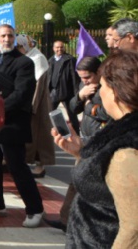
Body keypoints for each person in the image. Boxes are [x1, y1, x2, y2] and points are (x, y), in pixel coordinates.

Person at [52, 50, 138, 248]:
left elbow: (133, 229)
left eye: (103, 86)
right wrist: (79, 151)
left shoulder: (126, 152)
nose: (100, 91)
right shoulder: (119, 132)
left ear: (114, 92)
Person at [0, 24, 44, 228]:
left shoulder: (24, 63)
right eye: (3, 36)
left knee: (17, 168)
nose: (7, 39)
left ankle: (35, 209)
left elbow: (21, 94)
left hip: (12, 124)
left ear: (15, 38)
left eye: (10, 35)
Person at [44, 56, 109, 233]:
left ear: (99, 72)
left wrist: (88, 106)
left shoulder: (108, 88)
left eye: (87, 77)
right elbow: (72, 107)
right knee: (75, 180)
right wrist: (81, 96)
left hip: (100, 141)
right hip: (84, 139)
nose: (84, 81)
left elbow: (106, 113)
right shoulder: (84, 87)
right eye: (81, 77)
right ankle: (65, 219)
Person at [17, 35, 54, 179]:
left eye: (19, 46)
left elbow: (38, 86)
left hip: (38, 104)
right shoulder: (26, 57)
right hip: (25, 102)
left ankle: (40, 165)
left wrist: (31, 106)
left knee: (40, 134)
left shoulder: (37, 58)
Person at [48, 40, 80, 134]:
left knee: (72, 114)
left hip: (67, 92)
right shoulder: (51, 60)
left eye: (61, 47)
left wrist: (76, 92)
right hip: (54, 92)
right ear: (53, 49)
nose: (59, 49)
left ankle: (76, 135)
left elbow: (74, 77)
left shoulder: (69, 59)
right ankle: (56, 132)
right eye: (57, 47)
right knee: (49, 113)